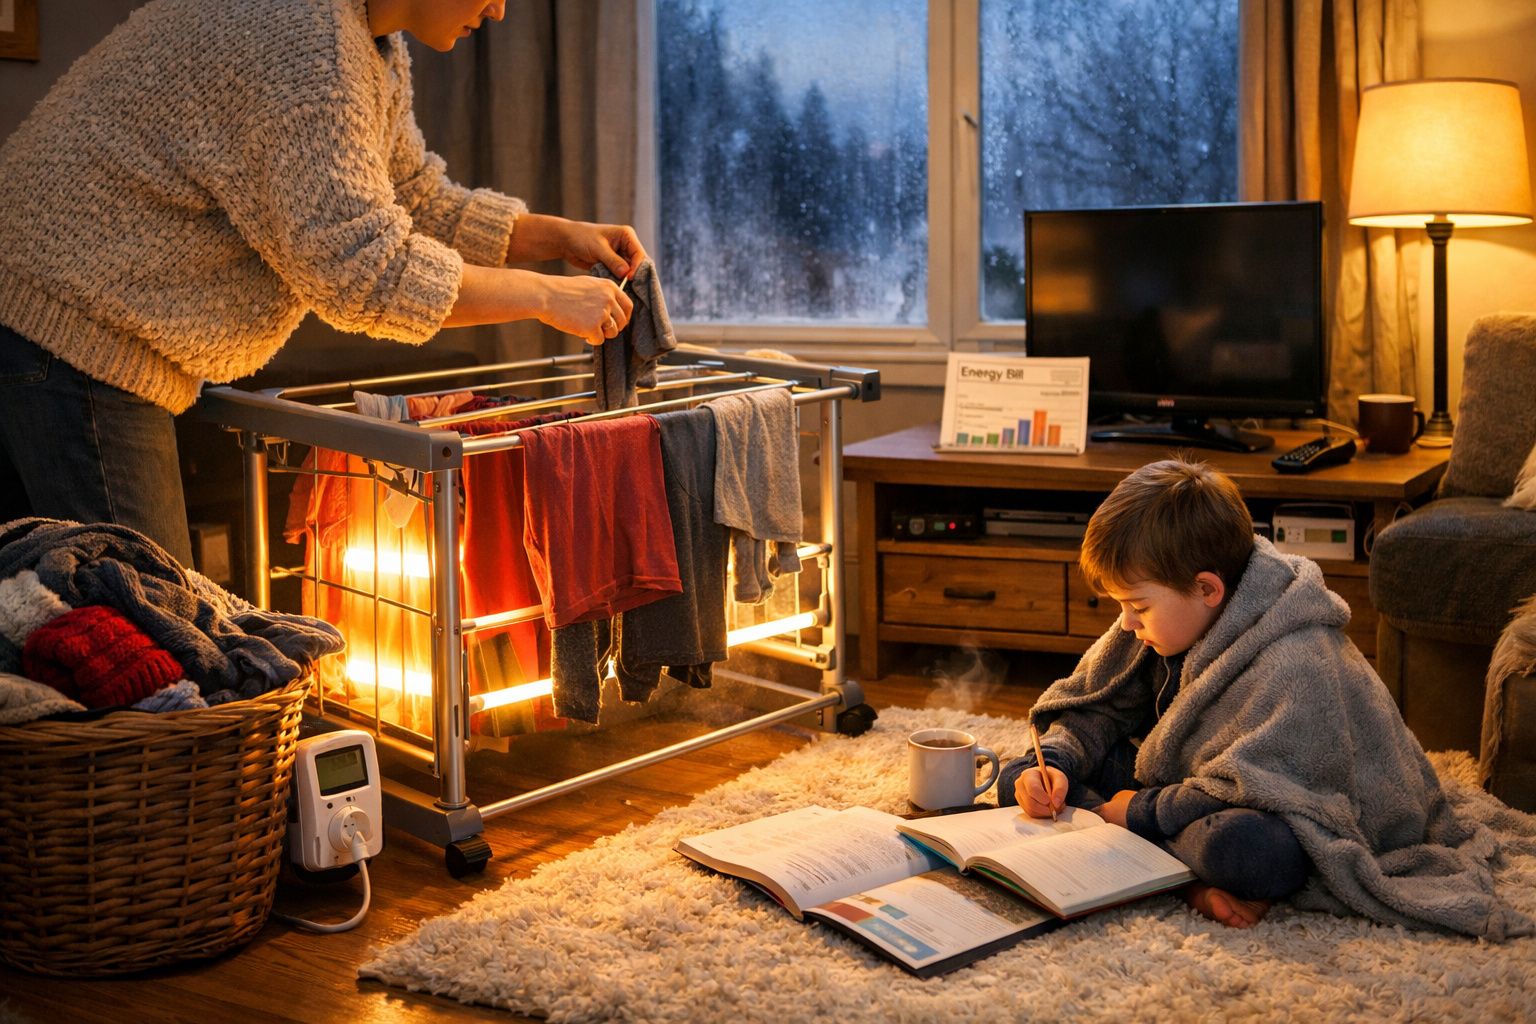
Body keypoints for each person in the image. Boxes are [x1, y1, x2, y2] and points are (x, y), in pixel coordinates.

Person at [0, 0, 642, 568]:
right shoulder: (308, 46)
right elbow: (367, 272)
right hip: (70, 330)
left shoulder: (367, 43)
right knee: (153, 651)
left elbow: (412, 197)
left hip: (66, 323)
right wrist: (546, 297)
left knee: (87, 634)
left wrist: (562, 237)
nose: (501, 10)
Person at [998, 457, 1529, 939]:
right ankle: (1175, 878)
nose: (1127, 623)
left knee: (1252, 853)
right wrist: (1059, 765)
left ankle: (1142, 858)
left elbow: (1274, 787)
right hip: (1178, 791)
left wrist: (1139, 811)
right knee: (1018, 778)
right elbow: (1097, 707)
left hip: (1263, 808)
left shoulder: (1297, 654)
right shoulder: (1161, 620)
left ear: (1208, 589)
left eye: (1136, 605)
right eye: (1120, 605)